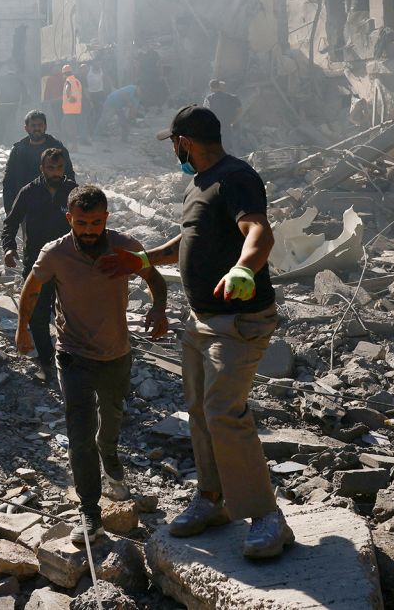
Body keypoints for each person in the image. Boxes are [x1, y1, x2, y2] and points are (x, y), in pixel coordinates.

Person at [117, 105, 291, 559]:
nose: (175, 151)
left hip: (238, 321)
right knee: (198, 410)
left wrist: (243, 268)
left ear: (185, 142)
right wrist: (145, 259)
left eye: (175, 144)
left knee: (222, 411)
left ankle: (267, 515)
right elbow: (190, 240)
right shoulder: (199, 185)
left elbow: (258, 231)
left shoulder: (236, 177)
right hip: (200, 319)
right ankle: (212, 500)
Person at [16, 185, 167, 546]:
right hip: (73, 354)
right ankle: (89, 511)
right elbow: (32, 289)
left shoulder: (125, 245)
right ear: (69, 219)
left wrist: (158, 307)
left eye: (96, 222)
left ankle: (110, 454)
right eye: (81, 222)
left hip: (116, 353)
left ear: (106, 219)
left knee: (111, 419)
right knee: (79, 433)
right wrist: (23, 329)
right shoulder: (55, 253)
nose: (89, 230)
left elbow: (154, 278)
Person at [1, 147, 75, 387]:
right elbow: (10, 223)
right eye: (51, 168)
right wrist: (9, 247)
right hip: (37, 264)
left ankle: (71, 359)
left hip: (68, 264)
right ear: (42, 168)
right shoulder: (29, 192)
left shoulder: (72, 191)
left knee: (70, 314)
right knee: (38, 314)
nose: (56, 172)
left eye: (59, 167)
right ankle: (46, 361)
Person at [2, 110, 75, 216]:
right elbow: (9, 180)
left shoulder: (57, 148)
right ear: (26, 128)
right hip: (26, 206)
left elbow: (69, 174)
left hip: (53, 206)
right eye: (33, 125)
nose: (37, 128)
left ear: (45, 126)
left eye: (40, 125)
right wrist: (10, 208)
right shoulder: (18, 150)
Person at [0, 67, 29, 146]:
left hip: (3, 104)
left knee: (2, 123)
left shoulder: (1, 78)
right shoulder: (17, 79)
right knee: (11, 123)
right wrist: (24, 103)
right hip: (14, 103)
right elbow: (24, 91)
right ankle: (10, 142)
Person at [204, 79, 242, 151]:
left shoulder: (209, 99)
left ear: (211, 88)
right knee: (233, 147)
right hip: (230, 126)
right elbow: (240, 111)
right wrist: (234, 122)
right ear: (220, 87)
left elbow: (206, 113)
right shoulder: (232, 97)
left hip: (216, 128)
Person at [61, 64, 86, 145]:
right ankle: (64, 143)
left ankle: (74, 145)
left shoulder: (68, 80)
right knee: (64, 126)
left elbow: (67, 90)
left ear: (64, 73)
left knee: (70, 127)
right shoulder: (77, 81)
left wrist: (68, 97)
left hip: (69, 109)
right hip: (76, 107)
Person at [85, 60, 108, 138]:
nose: (98, 65)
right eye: (97, 63)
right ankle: (92, 131)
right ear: (93, 64)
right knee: (92, 113)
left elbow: (105, 80)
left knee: (101, 113)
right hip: (91, 94)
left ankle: (99, 130)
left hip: (100, 93)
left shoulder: (101, 70)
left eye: (99, 63)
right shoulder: (88, 71)